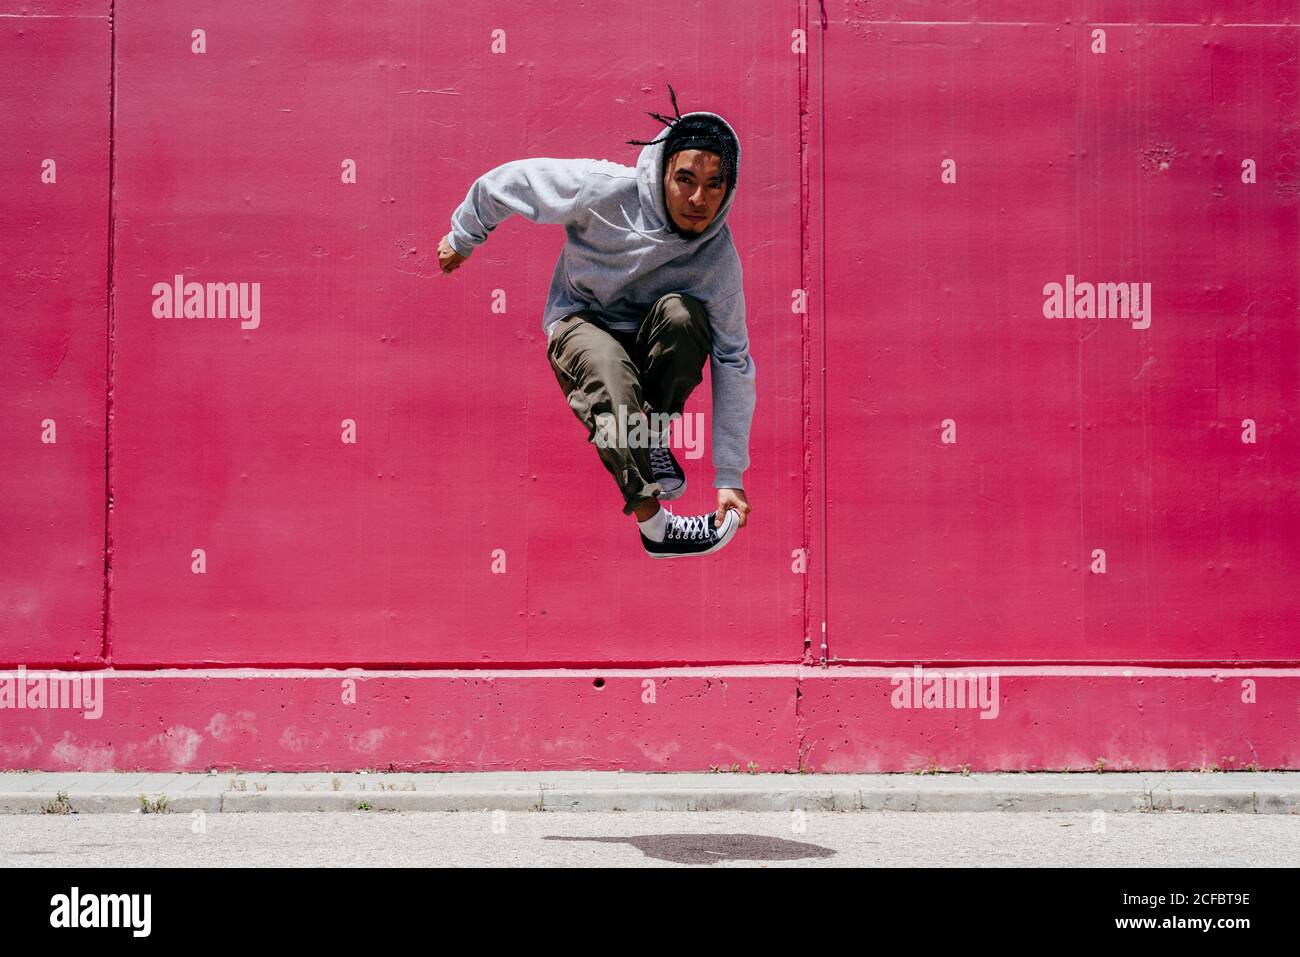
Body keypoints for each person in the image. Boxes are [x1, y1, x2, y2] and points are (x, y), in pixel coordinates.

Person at [437, 84, 755, 558]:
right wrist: (464, 235)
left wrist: (730, 475)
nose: (698, 199)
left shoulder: (718, 259)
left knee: (684, 316)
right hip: (582, 322)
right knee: (608, 367)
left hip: (651, 337)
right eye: (685, 179)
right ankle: (657, 527)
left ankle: (652, 434)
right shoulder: (604, 189)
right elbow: (514, 181)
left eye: (714, 185)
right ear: (665, 170)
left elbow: (733, 357)